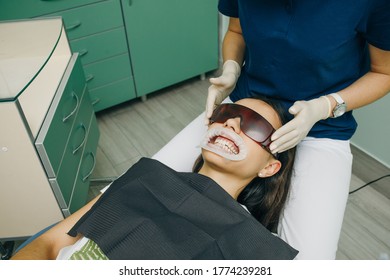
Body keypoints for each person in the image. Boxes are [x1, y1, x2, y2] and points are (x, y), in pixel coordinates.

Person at [205, 0, 390, 259]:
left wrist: (326, 106)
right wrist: (231, 68)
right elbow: (236, 31)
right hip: (247, 102)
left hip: (322, 126)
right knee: (162, 175)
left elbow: (384, 73)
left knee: (311, 261)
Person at [11, 97, 297, 260]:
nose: (232, 123)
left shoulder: (256, 246)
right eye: (227, 114)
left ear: (269, 168)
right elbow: (50, 243)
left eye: (255, 127)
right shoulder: (146, 175)